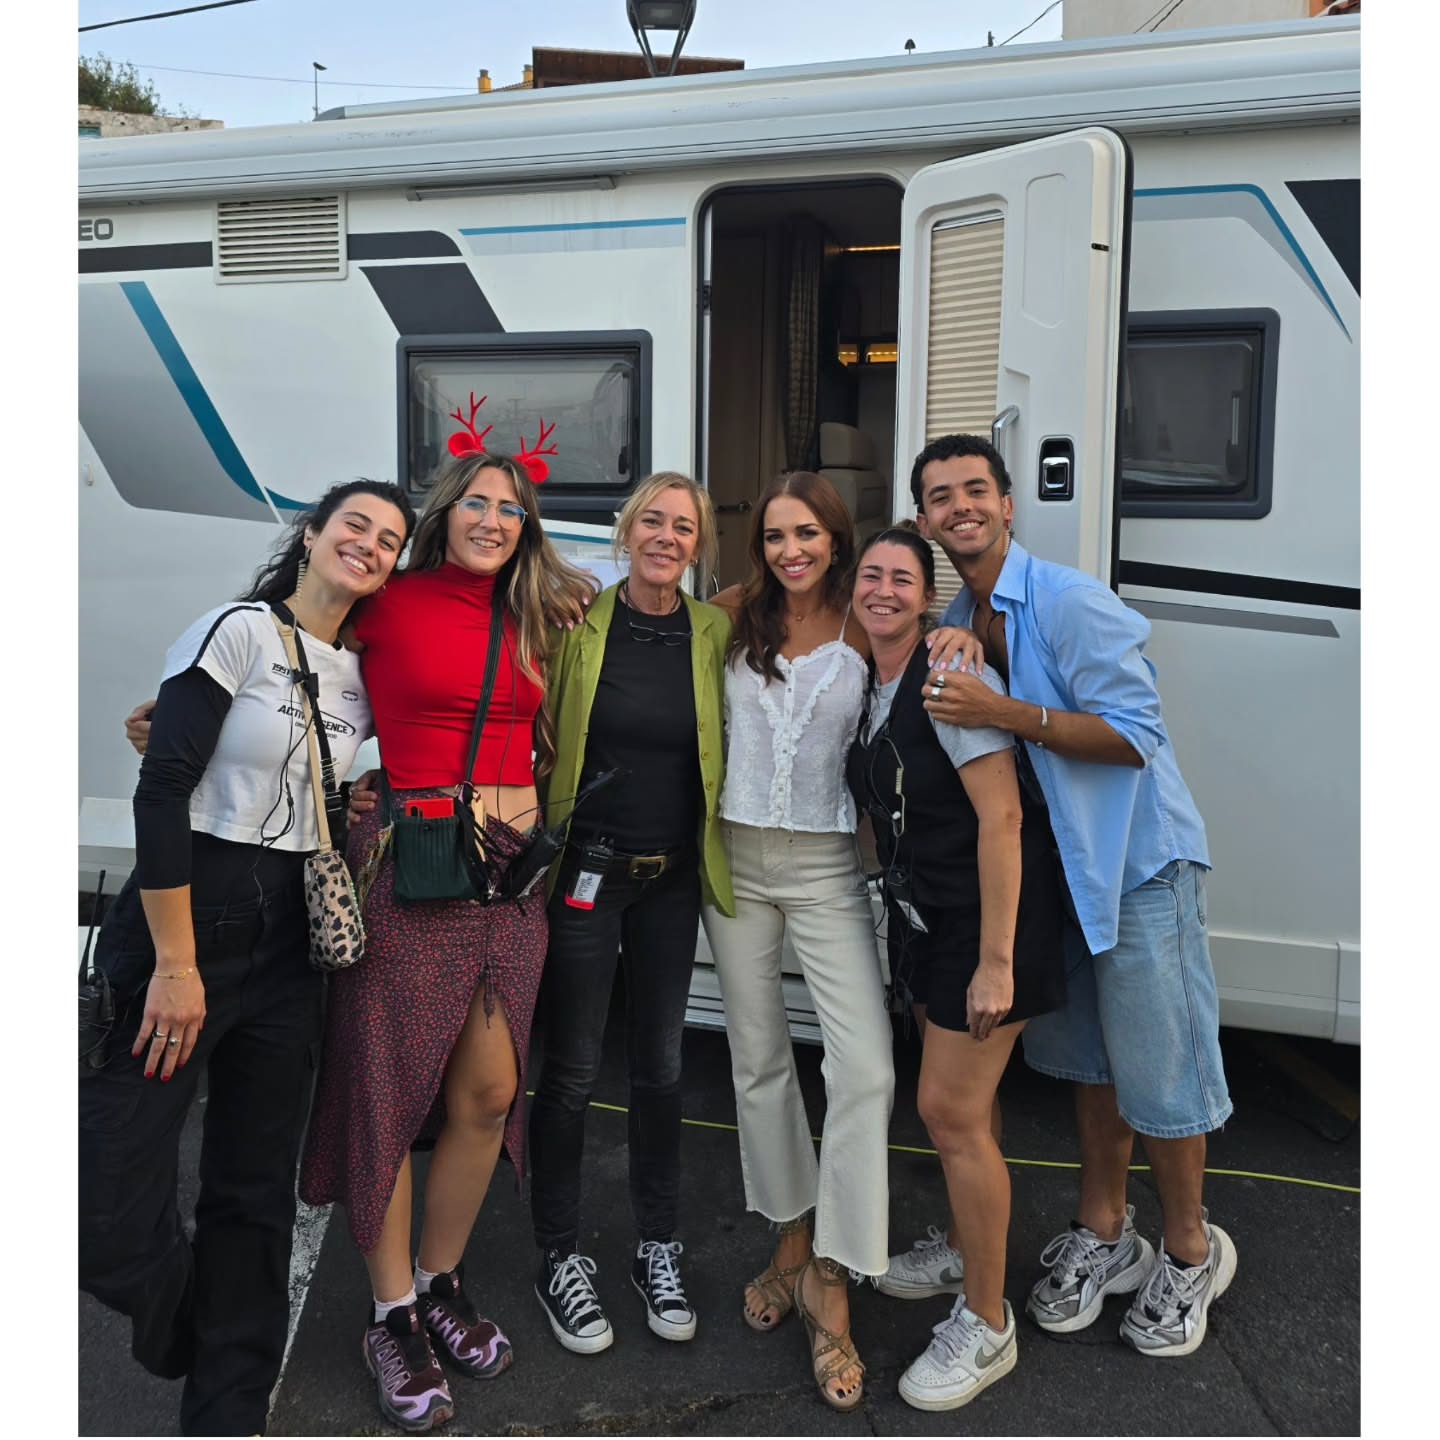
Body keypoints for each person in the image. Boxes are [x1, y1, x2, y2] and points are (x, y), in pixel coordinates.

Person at [81, 480, 414, 1438]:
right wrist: (175, 965)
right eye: (355, 525)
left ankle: (227, 1409)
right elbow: (162, 790)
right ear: (311, 536)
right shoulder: (234, 632)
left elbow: (312, 778)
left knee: (253, 1191)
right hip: (188, 921)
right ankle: (192, 1328)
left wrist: (347, 800)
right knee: (105, 1197)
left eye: (389, 540)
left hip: (287, 945)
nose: (369, 545)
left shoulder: (359, 678)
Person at [294, 436, 597, 1433]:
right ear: (445, 512)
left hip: (512, 881)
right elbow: (292, 647)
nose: (493, 521)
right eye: (477, 502)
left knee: (490, 1091)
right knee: (387, 1088)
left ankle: (437, 1282)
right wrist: (190, 713)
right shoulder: (388, 599)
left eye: (511, 509)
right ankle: (388, 1315)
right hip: (414, 870)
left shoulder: (537, 608)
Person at [913, 432, 1235, 1358]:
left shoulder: (1068, 600)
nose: (961, 507)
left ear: (1008, 504)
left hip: (1138, 866)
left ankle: (1190, 1249)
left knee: (1163, 1075)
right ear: (925, 520)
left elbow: (1135, 736)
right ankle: (1105, 1229)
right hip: (1069, 877)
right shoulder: (963, 612)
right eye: (941, 496)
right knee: (1096, 1062)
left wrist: (1006, 713)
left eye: (975, 489)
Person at [701, 472, 909, 1413]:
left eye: (809, 534)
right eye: (777, 535)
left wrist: (966, 637)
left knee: (865, 1068)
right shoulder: (728, 615)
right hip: (736, 860)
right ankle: (789, 1238)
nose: (792, 551)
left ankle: (833, 1271)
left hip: (827, 864)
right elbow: (641, 635)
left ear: (837, 539)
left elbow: (945, 647)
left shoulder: (867, 621)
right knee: (758, 1058)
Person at [846, 525, 1064, 1411]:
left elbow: (1003, 820)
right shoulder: (874, 682)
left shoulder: (950, 683)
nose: (883, 590)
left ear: (928, 598)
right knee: (968, 1111)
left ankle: (987, 1320)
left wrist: (996, 965)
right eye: (870, 575)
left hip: (985, 922)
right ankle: (967, 1253)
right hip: (926, 917)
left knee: (948, 1111)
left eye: (903, 579)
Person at [527, 472, 733, 1355]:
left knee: (660, 1068)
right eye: (653, 520)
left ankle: (658, 1245)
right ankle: (558, 1253)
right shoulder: (578, 624)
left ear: (698, 545)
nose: (666, 537)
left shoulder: (713, 631)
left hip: (671, 880)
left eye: (684, 527)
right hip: (588, 872)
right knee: (573, 1071)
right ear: (624, 531)